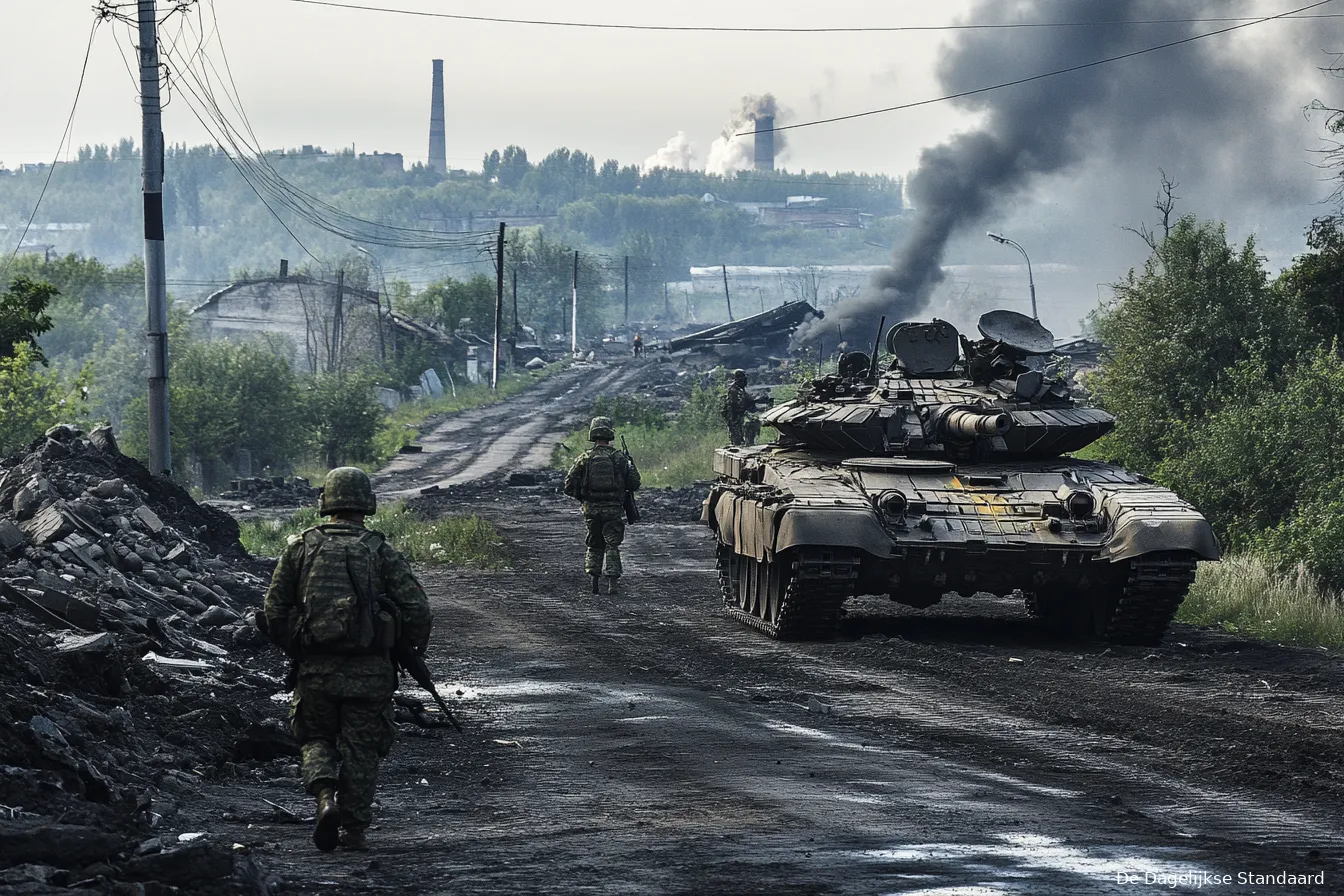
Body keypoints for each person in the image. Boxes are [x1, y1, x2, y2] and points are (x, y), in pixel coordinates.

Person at [263, 466, 433, 853]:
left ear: (327, 501)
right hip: (370, 671)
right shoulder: (380, 550)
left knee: (315, 737)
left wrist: (298, 649)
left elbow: (273, 610)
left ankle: (325, 798)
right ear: (366, 502)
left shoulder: (301, 547)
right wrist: (407, 649)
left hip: (316, 669)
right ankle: (354, 829)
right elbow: (417, 608)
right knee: (363, 747)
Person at [563, 416, 641, 594]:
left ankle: (594, 580)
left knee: (594, 542)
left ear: (592, 434)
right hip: (613, 508)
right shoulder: (619, 458)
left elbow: (568, 485)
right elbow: (634, 483)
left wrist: (583, 497)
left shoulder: (584, 458)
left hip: (590, 508)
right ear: (610, 434)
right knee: (612, 544)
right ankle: (612, 584)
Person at [722, 368, 753, 446]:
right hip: (735, 419)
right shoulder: (734, 390)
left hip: (738, 418)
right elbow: (737, 405)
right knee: (737, 439)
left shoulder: (740, 389)